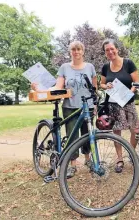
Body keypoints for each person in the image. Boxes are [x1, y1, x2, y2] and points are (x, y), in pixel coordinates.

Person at [32, 40, 98, 178]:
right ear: (70, 52)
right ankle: (73, 165)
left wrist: (96, 104)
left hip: (88, 106)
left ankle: (88, 160)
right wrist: (39, 88)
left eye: (79, 49)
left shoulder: (90, 67)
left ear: (83, 51)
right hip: (70, 106)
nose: (76, 52)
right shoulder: (64, 67)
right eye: (74, 49)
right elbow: (58, 87)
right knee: (72, 136)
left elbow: (94, 88)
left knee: (88, 134)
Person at [100, 38, 139, 173]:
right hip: (113, 104)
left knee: (135, 130)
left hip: (127, 102)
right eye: (107, 50)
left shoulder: (128, 63)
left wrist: (130, 92)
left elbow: (136, 82)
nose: (110, 52)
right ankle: (119, 158)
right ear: (105, 53)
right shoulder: (105, 67)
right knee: (116, 131)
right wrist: (107, 86)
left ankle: (131, 153)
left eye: (112, 49)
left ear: (117, 49)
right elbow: (101, 84)